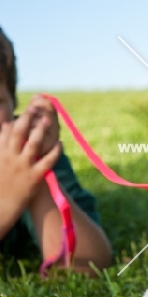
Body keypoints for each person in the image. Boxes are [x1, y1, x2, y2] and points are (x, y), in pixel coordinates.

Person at [0, 27, 112, 276]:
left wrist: (35, 174)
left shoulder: (26, 149)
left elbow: (88, 265)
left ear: (12, 103)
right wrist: (6, 202)